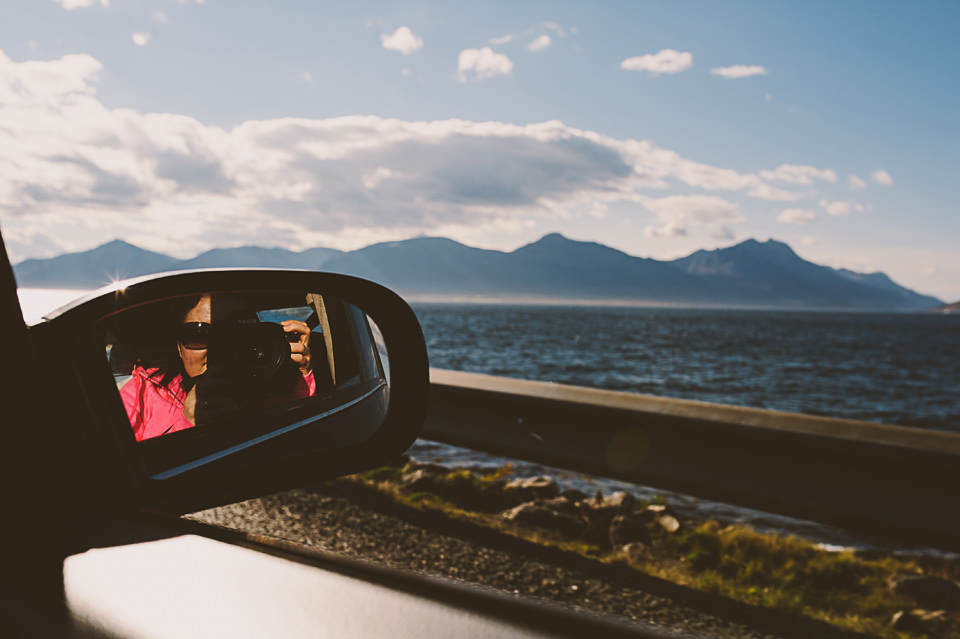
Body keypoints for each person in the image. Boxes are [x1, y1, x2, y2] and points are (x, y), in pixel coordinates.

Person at [120, 294, 316, 442]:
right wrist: (187, 424)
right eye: (199, 336)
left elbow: (296, 439)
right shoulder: (141, 393)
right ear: (179, 347)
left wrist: (300, 377)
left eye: (233, 336)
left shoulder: (272, 390)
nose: (216, 349)